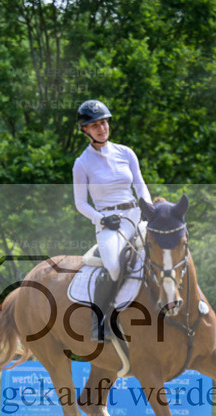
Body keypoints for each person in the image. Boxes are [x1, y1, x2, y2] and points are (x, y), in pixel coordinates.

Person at [72, 99, 151, 342]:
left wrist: (148, 207)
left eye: (104, 123)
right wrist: (102, 219)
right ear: (85, 130)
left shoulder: (126, 152)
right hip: (109, 222)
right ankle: (100, 320)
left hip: (134, 215)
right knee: (114, 266)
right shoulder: (82, 163)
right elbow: (80, 203)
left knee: (168, 247)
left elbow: (139, 184)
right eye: (95, 125)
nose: (102, 128)